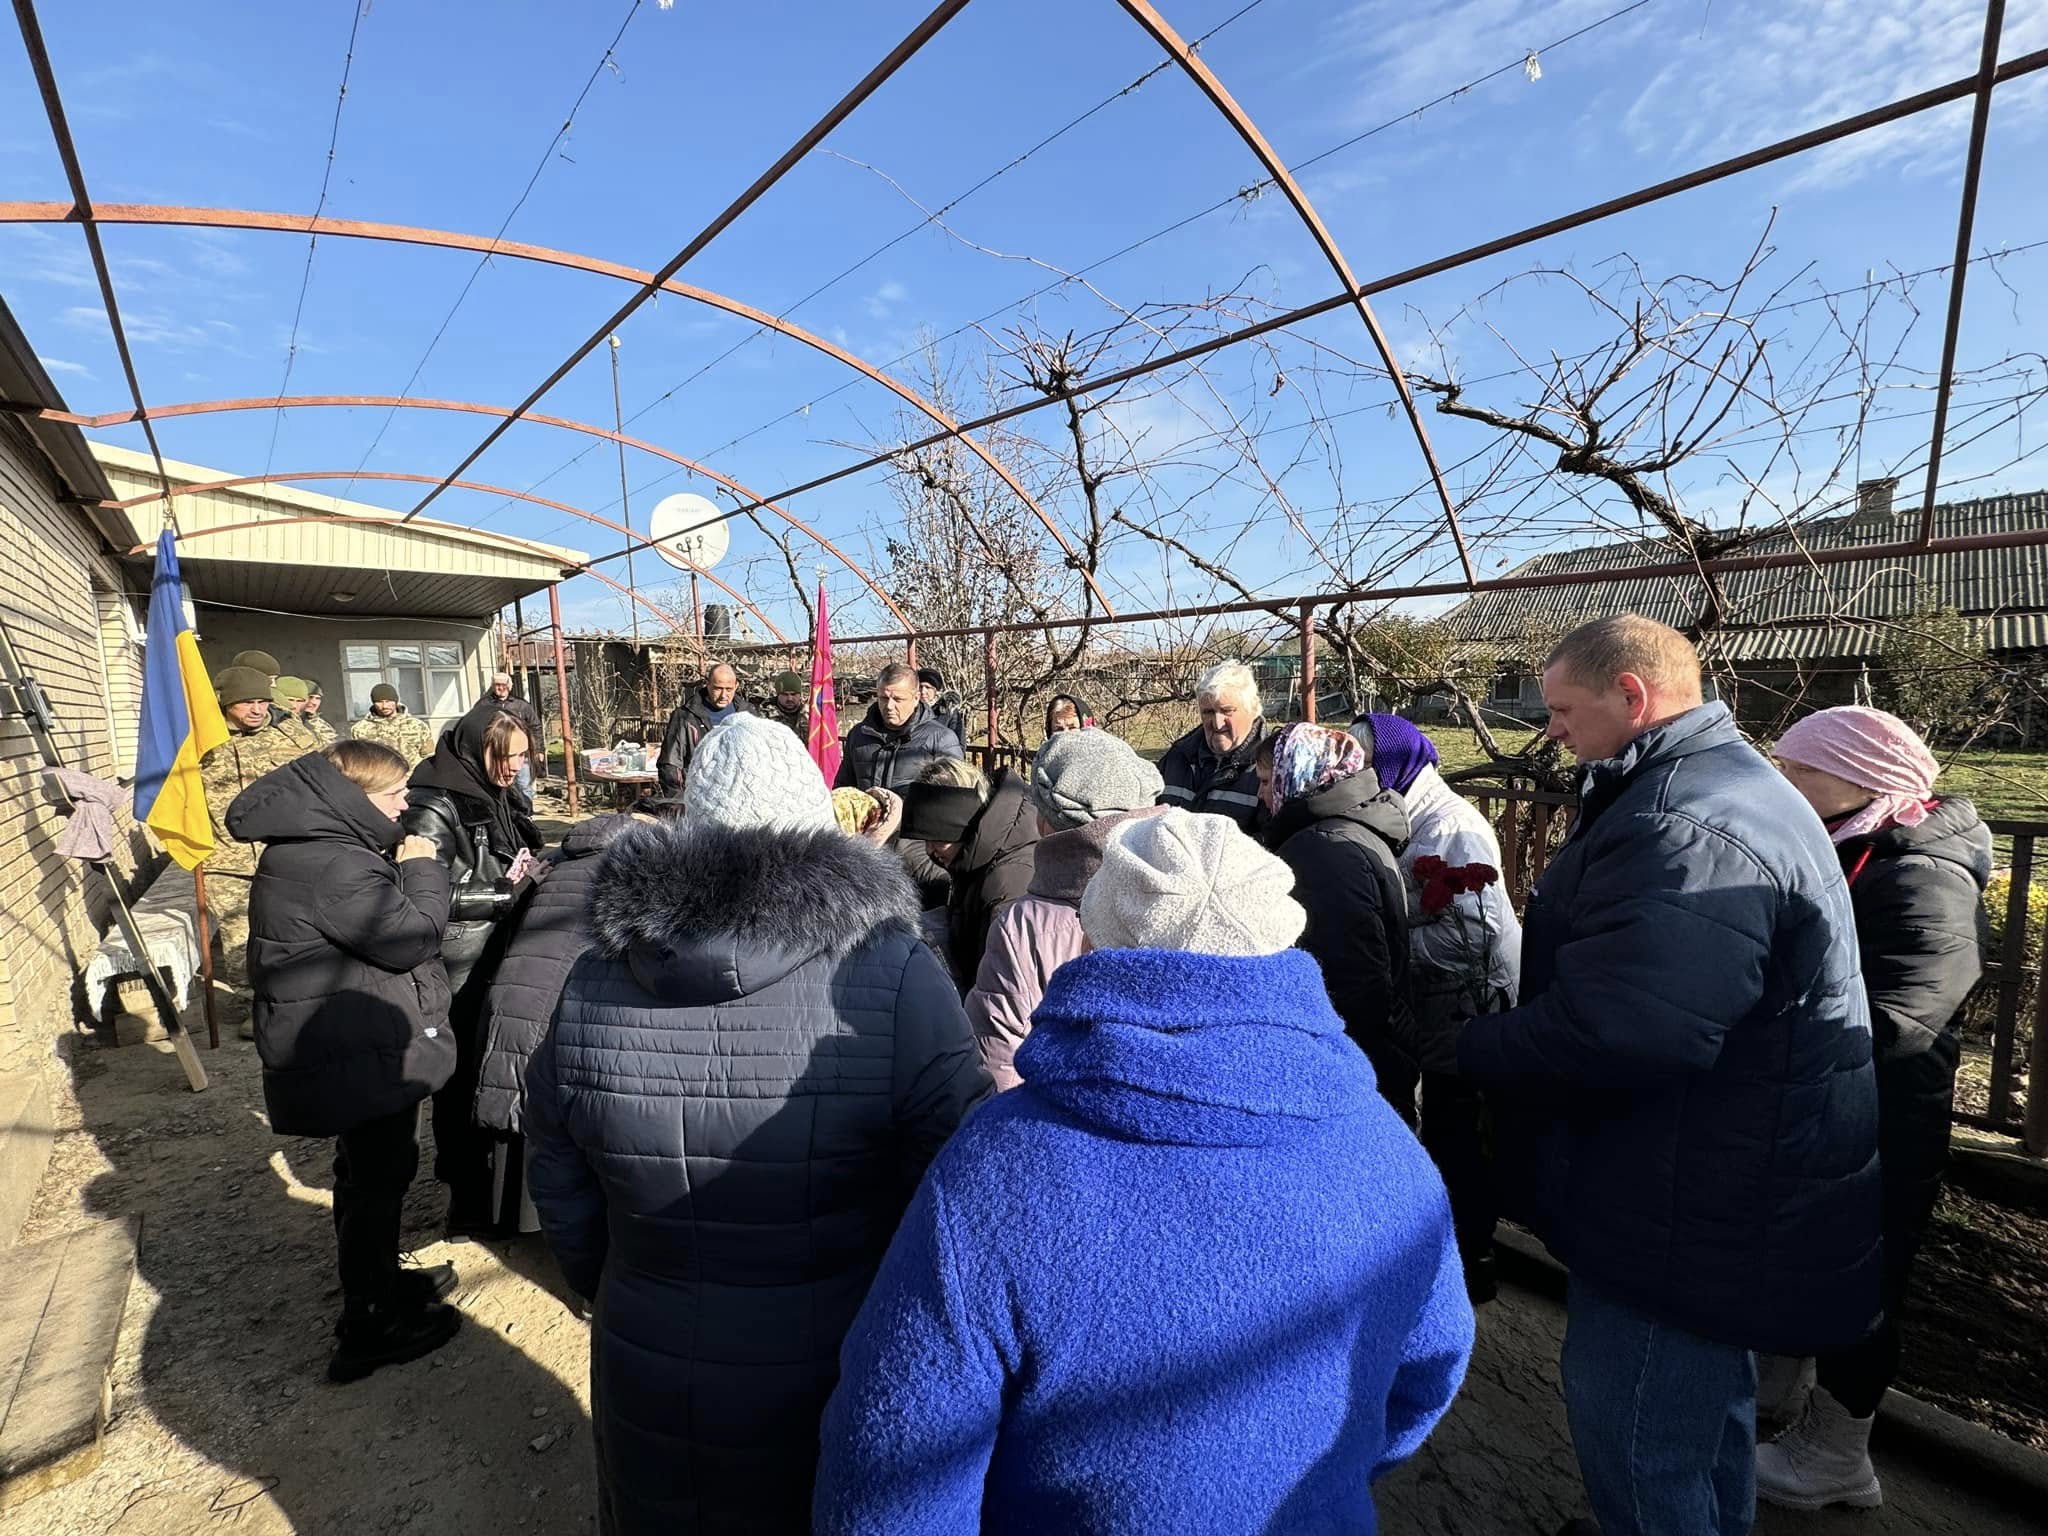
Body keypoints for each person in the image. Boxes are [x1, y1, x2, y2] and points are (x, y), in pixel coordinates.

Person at [814, 808, 1474, 1535]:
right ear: (1281, 938)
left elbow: (891, 1467)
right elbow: (1427, 1373)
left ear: (1093, 939)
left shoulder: (997, 1168)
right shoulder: (1390, 1152)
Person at [1417, 615, 1881, 1536]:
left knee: (1638, 1431)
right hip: (1720, 1172)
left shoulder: (1684, 820)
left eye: (1561, 709)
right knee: (1703, 1413)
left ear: (1633, 696)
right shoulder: (1712, 787)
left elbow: (1624, 1031)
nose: (1550, 729)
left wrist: (1466, 1050)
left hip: (1684, 1198)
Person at [523, 712, 990, 1535]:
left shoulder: (594, 978)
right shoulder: (894, 973)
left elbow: (557, 1165)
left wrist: (617, 1278)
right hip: (841, 1350)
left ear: (685, 829)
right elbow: (959, 1176)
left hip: (649, 1343)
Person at [1755, 706, 1989, 1511]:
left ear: (1860, 775)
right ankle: (1782, 1405)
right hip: (1830, 1098)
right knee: (1810, 1258)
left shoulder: (1923, 871)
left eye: (1799, 769)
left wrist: (1765, 1028)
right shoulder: (1860, 845)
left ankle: (1836, 1457)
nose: (1782, 784)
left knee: (1864, 1277)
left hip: (1884, 1114)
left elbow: (1904, 1016)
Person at [227, 740, 462, 1382]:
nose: (404, 804)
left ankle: (379, 1282)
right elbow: (411, 936)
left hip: (345, 1034)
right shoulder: (337, 865)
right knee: (380, 1174)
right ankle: (371, 1323)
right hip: (357, 1047)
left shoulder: (311, 848)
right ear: (353, 797)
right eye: (394, 794)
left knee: (367, 1170)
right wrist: (422, 867)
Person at [1355, 713, 1522, 1302]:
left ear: (1397, 763)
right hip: (1439, 1002)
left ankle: (1472, 1264)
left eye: (1368, 760)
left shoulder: (1452, 830)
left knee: (1460, 1132)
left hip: (1471, 1006)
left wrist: (1387, 946)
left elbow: (1470, 938)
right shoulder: (1411, 815)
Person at [401, 704, 547, 1238]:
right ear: (474, 749)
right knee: (460, 1078)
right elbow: (417, 888)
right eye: (504, 758)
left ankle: (489, 1184)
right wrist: (500, 893)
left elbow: (509, 849)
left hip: (496, 947)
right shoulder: (433, 803)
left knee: (492, 1068)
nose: (513, 769)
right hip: (458, 959)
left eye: (522, 759)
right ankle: (463, 1196)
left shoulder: (497, 790)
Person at [964, 728, 1162, 1089]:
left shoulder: (1023, 927)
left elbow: (996, 1063)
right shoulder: (1181, 895)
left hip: (1051, 1125)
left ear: (1043, 821)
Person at [1258, 721, 1417, 1121]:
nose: (1260, 795)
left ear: (1297, 776)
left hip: (1350, 1067)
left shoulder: (1323, 850)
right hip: (1376, 1054)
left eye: (1266, 780)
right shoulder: (1344, 832)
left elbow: (1350, 979)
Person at [471, 812, 643, 1180]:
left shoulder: (557, 858)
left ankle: (491, 1208)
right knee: (543, 1102)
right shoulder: (635, 867)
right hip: (558, 1000)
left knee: (510, 1084)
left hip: (512, 982)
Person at [199, 664, 314, 1037]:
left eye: (263, 702)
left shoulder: (291, 736)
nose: (258, 710)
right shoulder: (201, 740)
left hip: (282, 851)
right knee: (238, 935)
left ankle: (295, 997)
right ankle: (253, 1004)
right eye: (247, 703)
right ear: (225, 704)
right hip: (225, 857)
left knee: (292, 926)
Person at [901, 757, 1040, 990]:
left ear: (961, 825)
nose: (929, 850)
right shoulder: (972, 856)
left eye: (936, 839)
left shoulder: (1005, 882)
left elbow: (1005, 986)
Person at [1159, 659, 1267, 830]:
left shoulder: (1269, 769)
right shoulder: (1177, 759)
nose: (1217, 723)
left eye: (1226, 711)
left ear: (1252, 710)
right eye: (1208, 712)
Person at [838, 661, 964, 791]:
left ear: (916, 698)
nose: (889, 706)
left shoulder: (941, 739)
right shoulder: (858, 735)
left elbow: (954, 799)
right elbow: (842, 790)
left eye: (898, 699)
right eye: (883, 698)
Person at [655, 661, 747, 799]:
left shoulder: (748, 715)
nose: (723, 695)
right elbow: (670, 764)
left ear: (736, 686)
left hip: (739, 798)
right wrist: (680, 803)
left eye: (729, 689)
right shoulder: (685, 716)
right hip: (698, 797)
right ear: (707, 684)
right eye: (718, 688)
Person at [488, 673, 545, 797]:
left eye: (504, 684)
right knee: (499, 789)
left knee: (524, 787)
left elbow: (535, 727)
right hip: (497, 755)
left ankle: (526, 815)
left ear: (510, 686)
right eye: (497, 684)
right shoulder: (484, 705)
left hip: (521, 754)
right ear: (492, 686)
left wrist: (539, 750)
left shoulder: (522, 705)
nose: (501, 688)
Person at [352, 682, 434, 768]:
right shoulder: (360, 729)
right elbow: (358, 760)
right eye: (379, 702)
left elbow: (429, 756)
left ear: (396, 701)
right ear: (373, 703)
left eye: (388, 701)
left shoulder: (417, 726)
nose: (384, 706)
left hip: (412, 778)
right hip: (379, 778)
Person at [916, 666, 969, 748]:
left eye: (928, 687)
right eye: (920, 687)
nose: (923, 691)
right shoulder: (911, 710)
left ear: (936, 690)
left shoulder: (949, 711)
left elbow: (959, 741)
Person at [270, 676, 325, 753]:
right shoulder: (270, 721)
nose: (294, 706)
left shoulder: (306, 724)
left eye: (299, 701)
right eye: (290, 700)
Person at [767, 668, 809, 737]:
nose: (790, 698)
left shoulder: (810, 716)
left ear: (800, 694)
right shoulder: (764, 717)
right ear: (778, 695)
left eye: (793, 694)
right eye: (785, 694)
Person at [299, 679, 338, 745]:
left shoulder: (322, 724)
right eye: (310, 697)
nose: (314, 702)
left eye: (318, 698)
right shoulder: (287, 721)